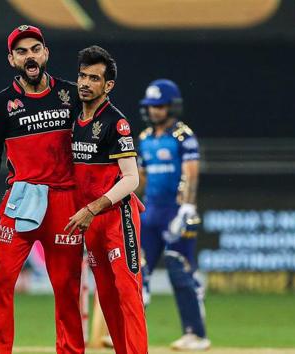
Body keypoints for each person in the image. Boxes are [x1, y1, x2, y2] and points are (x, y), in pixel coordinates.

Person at [0, 25, 85, 353]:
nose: (30, 55)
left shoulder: (72, 95)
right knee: (1, 284)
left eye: (35, 48)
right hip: (20, 200)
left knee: (67, 289)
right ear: (12, 59)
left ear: (46, 53)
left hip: (65, 201)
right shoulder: (1, 104)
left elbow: (95, 143)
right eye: (22, 51)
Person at [66, 45, 148, 354]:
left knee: (127, 292)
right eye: (82, 76)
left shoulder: (116, 122)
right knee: (107, 296)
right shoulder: (73, 117)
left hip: (118, 218)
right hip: (91, 223)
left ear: (108, 85)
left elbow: (131, 178)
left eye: (94, 78)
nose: (85, 83)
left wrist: (93, 207)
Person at [137, 79, 211, 351]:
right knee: (138, 272)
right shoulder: (144, 139)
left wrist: (188, 207)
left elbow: (191, 173)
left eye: (160, 106)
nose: (155, 111)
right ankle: (129, 333)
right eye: (151, 106)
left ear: (171, 106)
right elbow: (140, 178)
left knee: (179, 270)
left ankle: (195, 333)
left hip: (177, 213)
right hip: (150, 213)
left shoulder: (183, 136)